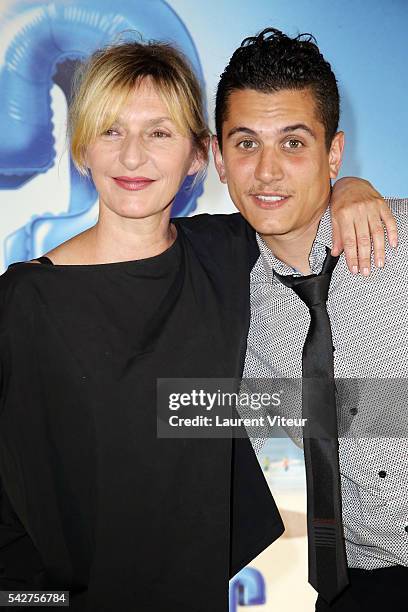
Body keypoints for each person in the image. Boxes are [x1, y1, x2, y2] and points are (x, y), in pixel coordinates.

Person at [0, 38, 397, 611]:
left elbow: (295, 205)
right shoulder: (26, 302)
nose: (132, 157)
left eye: (158, 133)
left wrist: (350, 191)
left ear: (197, 155)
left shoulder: (231, 253)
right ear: (82, 147)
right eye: (111, 130)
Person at [211, 27, 408, 611]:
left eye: (294, 143)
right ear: (219, 158)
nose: (267, 172)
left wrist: (352, 190)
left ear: (334, 153)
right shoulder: (230, 293)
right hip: (360, 582)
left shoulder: (399, 244)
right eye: (246, 144)